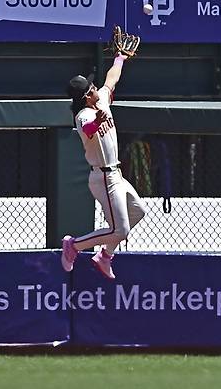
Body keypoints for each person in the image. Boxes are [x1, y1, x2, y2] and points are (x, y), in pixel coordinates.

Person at [61, 53, 146, 279]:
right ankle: (74, 246)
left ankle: (105, 256)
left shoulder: (101, 101)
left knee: (137, 211)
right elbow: (89, 128)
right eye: (91, 88)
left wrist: (120, 59)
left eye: (93, 85)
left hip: (116, 174)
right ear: (86, 96)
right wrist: (98, 120)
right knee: (120, 230)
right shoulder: (83, 115)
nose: (96, 88)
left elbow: (112, 80)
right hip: (103, 177)